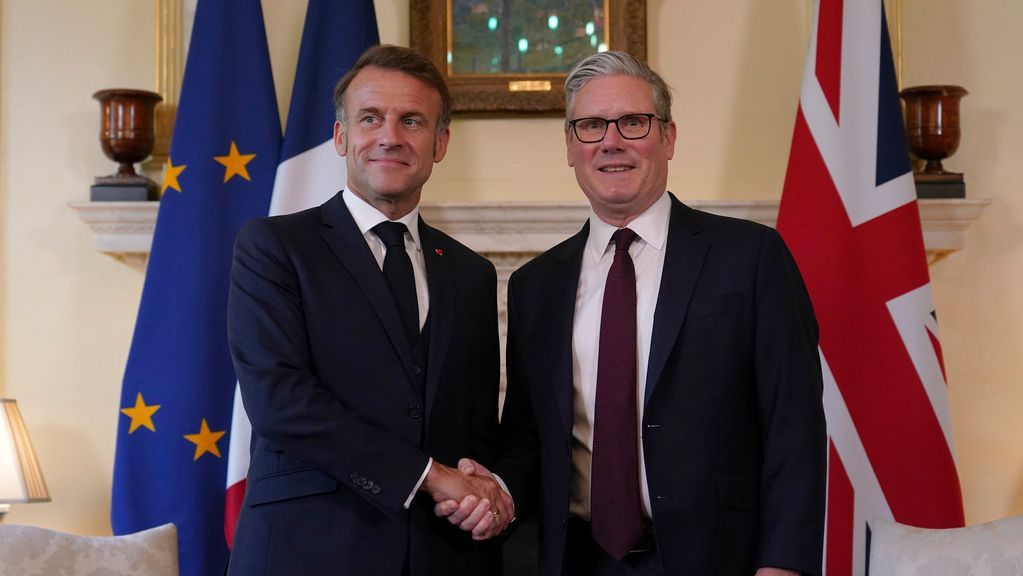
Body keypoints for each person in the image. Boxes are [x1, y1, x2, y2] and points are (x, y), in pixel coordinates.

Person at [451, 51, 827, 575]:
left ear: (668, 137)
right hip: (579, 560)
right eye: (590, 126)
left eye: (633, 122)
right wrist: (498, 489)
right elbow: (529, 435)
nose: (611, 141)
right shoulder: (536, 286)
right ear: (570, 146)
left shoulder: (752, 258)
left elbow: (794, 424)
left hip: (719, 558)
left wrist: (783, 566)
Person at [226, 45, 513, 576]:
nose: (390, 136)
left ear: (440, 143)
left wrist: (485, 493)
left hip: (440, 556)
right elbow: (278, 401)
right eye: (370, 118)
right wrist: (430, 475)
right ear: (341, 136)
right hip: (305, 552)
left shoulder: (471, 274)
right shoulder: (275, 247)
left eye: (412, 121)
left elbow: (475, 428)